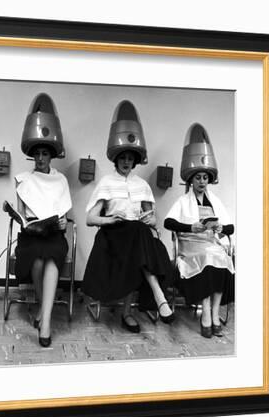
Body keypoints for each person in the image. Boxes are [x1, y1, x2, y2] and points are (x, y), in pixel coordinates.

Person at [82, 100, 174, 333]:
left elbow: (152, 220)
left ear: (135, 160)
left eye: (130, 159)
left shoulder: (142, 185)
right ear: (116, 159)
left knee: (140, 232)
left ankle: (130, 311)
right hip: (113, 235)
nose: (126, 162)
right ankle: (155, 296)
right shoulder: (106, 182)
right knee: (137, 235)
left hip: (136, 236)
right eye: (122, 158)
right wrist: (110, 220)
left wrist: (149, 219)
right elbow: (90, 219)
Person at [12, 93, 72, 347]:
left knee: (51, 257)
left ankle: (45, 320)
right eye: (37, 154)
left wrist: (62, 223)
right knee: (37, 260)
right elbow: (22, 214)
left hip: (54, 235)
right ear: (32, 155)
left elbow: (65, 216)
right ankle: (42, 307)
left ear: (51, 155)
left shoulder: (60, 179)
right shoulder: (23, 178)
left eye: (45, 154)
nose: (40, 158)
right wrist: (26, 222)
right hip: (31, 235)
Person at [164, 123, 234, 338]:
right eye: (198, 178)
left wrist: (220, 227)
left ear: (209, 180)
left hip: (211, 243)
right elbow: (168, 223)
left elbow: (231, 227)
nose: (202, 182)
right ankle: (205, 315)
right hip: (191, 245)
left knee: (221, 258)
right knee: (207, 259)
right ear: (191, 180)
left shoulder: (215, 201)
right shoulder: (183, 201)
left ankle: (214, 314)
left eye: (205, 178)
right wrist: (190, 226)